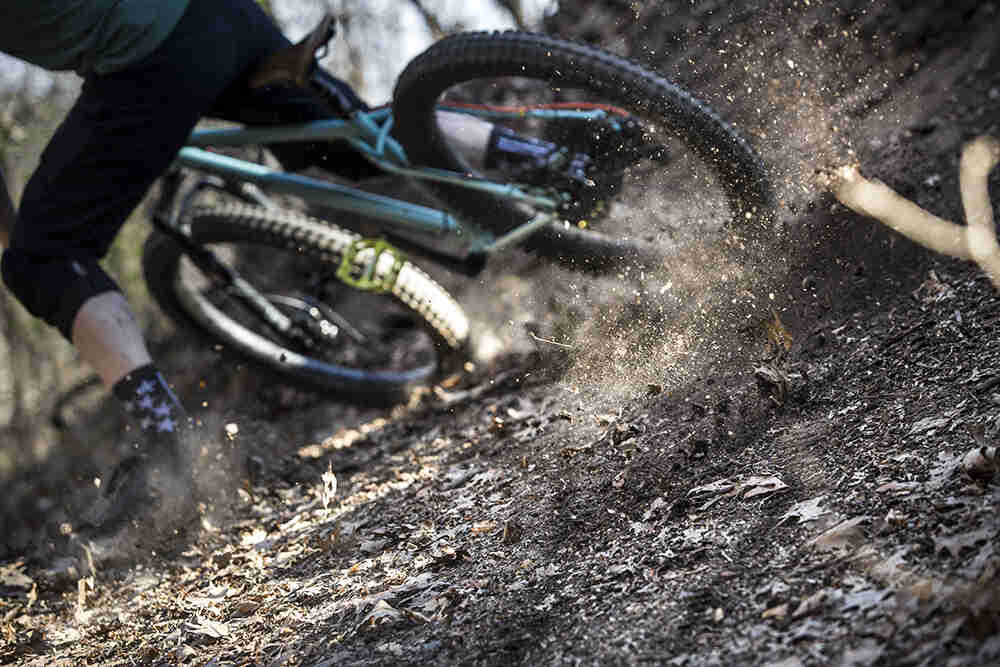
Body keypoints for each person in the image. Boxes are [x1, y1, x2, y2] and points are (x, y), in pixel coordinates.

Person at [0, 0, 594, 570]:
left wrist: (15, 237)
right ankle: (558, 161)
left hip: (150, 54)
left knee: (44, 257)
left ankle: (167, 440)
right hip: (222, 17)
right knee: (362, 142)